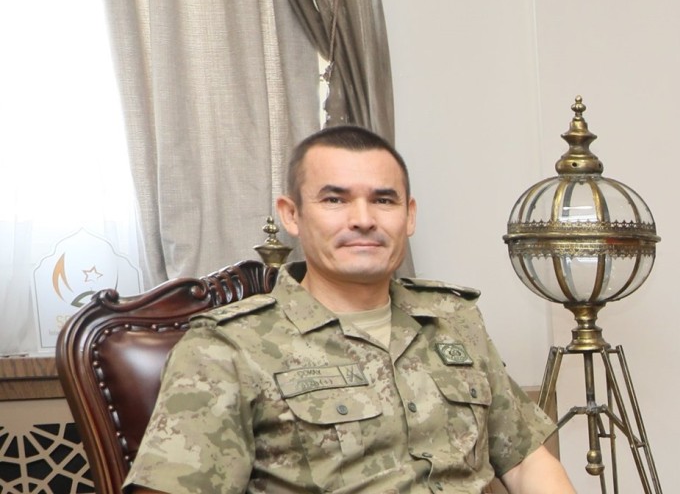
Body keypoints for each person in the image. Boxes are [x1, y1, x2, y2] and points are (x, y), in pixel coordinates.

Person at [125, 125, 577, 493]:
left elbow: (526, 463)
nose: (363, 219)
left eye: (383, 199)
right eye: (335, 199)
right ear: (292, 214)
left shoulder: (452, 320)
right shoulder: (227, 348)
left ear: (409, 215)